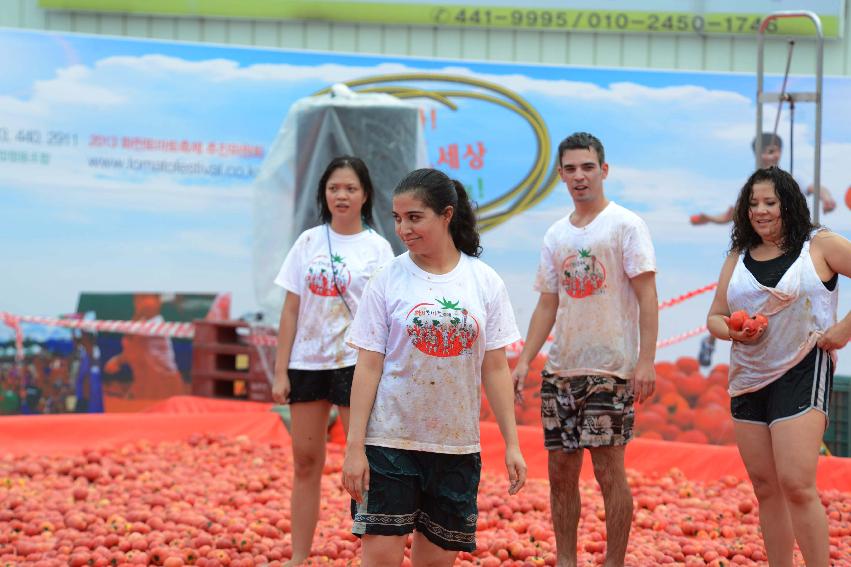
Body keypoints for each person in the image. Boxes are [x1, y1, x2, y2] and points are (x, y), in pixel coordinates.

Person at [341, 168, 526, 566]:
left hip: (456, 447)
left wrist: (512, 443)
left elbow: (494, 368)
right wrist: (355, 446)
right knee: (380, 559)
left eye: (414, 217)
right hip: (390, 443)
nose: (403, 228)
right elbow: (369, 365)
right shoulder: (387, 279)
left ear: (446, 215)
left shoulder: (484, 281)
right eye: (397, 218)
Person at [511, 132, 658, 567]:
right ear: (560, 175)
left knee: (609, 470)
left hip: (610, 369)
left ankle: (613, 562)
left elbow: (647, 295)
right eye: (571, 169)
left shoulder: (626, 225)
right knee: (560, 475)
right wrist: (524, 360)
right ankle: (566, 560)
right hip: (561, 371)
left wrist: (645, 360)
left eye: (588, 167)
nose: (579, 176)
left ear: (604, 170)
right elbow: (547, 302)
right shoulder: (556, 234)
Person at [706, 166, 851, 567]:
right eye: (753, 204)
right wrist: (733, 331)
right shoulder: (738, 256)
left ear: (789, 203)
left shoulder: (818, 245)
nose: (760, 211)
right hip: (748, 377)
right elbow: (716, 316)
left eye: (770, 202)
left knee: (797, 484)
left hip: (804, 368)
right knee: (766, 487)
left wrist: (843, 329)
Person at [271, 156, 394, 566]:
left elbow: (386, 314)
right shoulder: (307, 242)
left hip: (354, 363)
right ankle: (299, 556)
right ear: (324, 193)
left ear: (365, 195)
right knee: (306, 463)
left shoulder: (378, 248)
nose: (341, 195)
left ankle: (370, 556)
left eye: (350, 189)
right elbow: (291, 309)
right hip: (307, 363)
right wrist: (280, 370)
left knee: (361, 465)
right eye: (334, 188)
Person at [691, 132, 836, 225]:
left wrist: (827, 199)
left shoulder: (794, 176)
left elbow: (817, 188)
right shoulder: (750, 184)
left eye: (773, 151)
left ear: (780, 151)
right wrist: (709, 218)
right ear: (757, 154)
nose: (770, 156)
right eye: (765, 152)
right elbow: (731, 215)